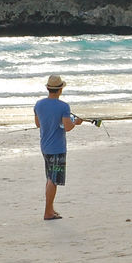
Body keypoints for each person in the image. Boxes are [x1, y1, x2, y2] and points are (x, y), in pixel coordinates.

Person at [34, 74, 82, 220]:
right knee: (52, 180)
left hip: (45, 146)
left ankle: (51, 209)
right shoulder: (64, 106)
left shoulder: (39, 104)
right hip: (57, 148)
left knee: (50, 177)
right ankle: (48, 212)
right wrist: (76, 122)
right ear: (60, 89)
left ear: (48, 88)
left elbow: (38, 124)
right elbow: (67, 127)